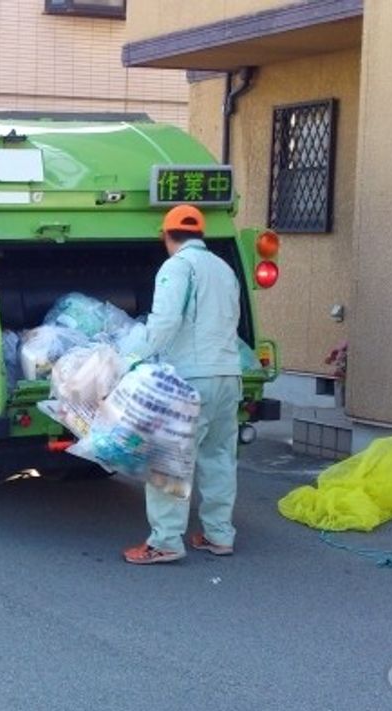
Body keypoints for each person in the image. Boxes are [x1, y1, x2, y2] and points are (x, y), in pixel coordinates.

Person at [122, 204, 243, 565]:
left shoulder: (177, 267)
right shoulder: (225, 269)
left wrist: (129, 360)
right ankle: (219, 534)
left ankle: (166, 542)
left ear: (166, 235)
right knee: (219, 456)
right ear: (201, 234)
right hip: (228, 375)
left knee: (169, 462)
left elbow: (164, 323)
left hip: (192, 379)